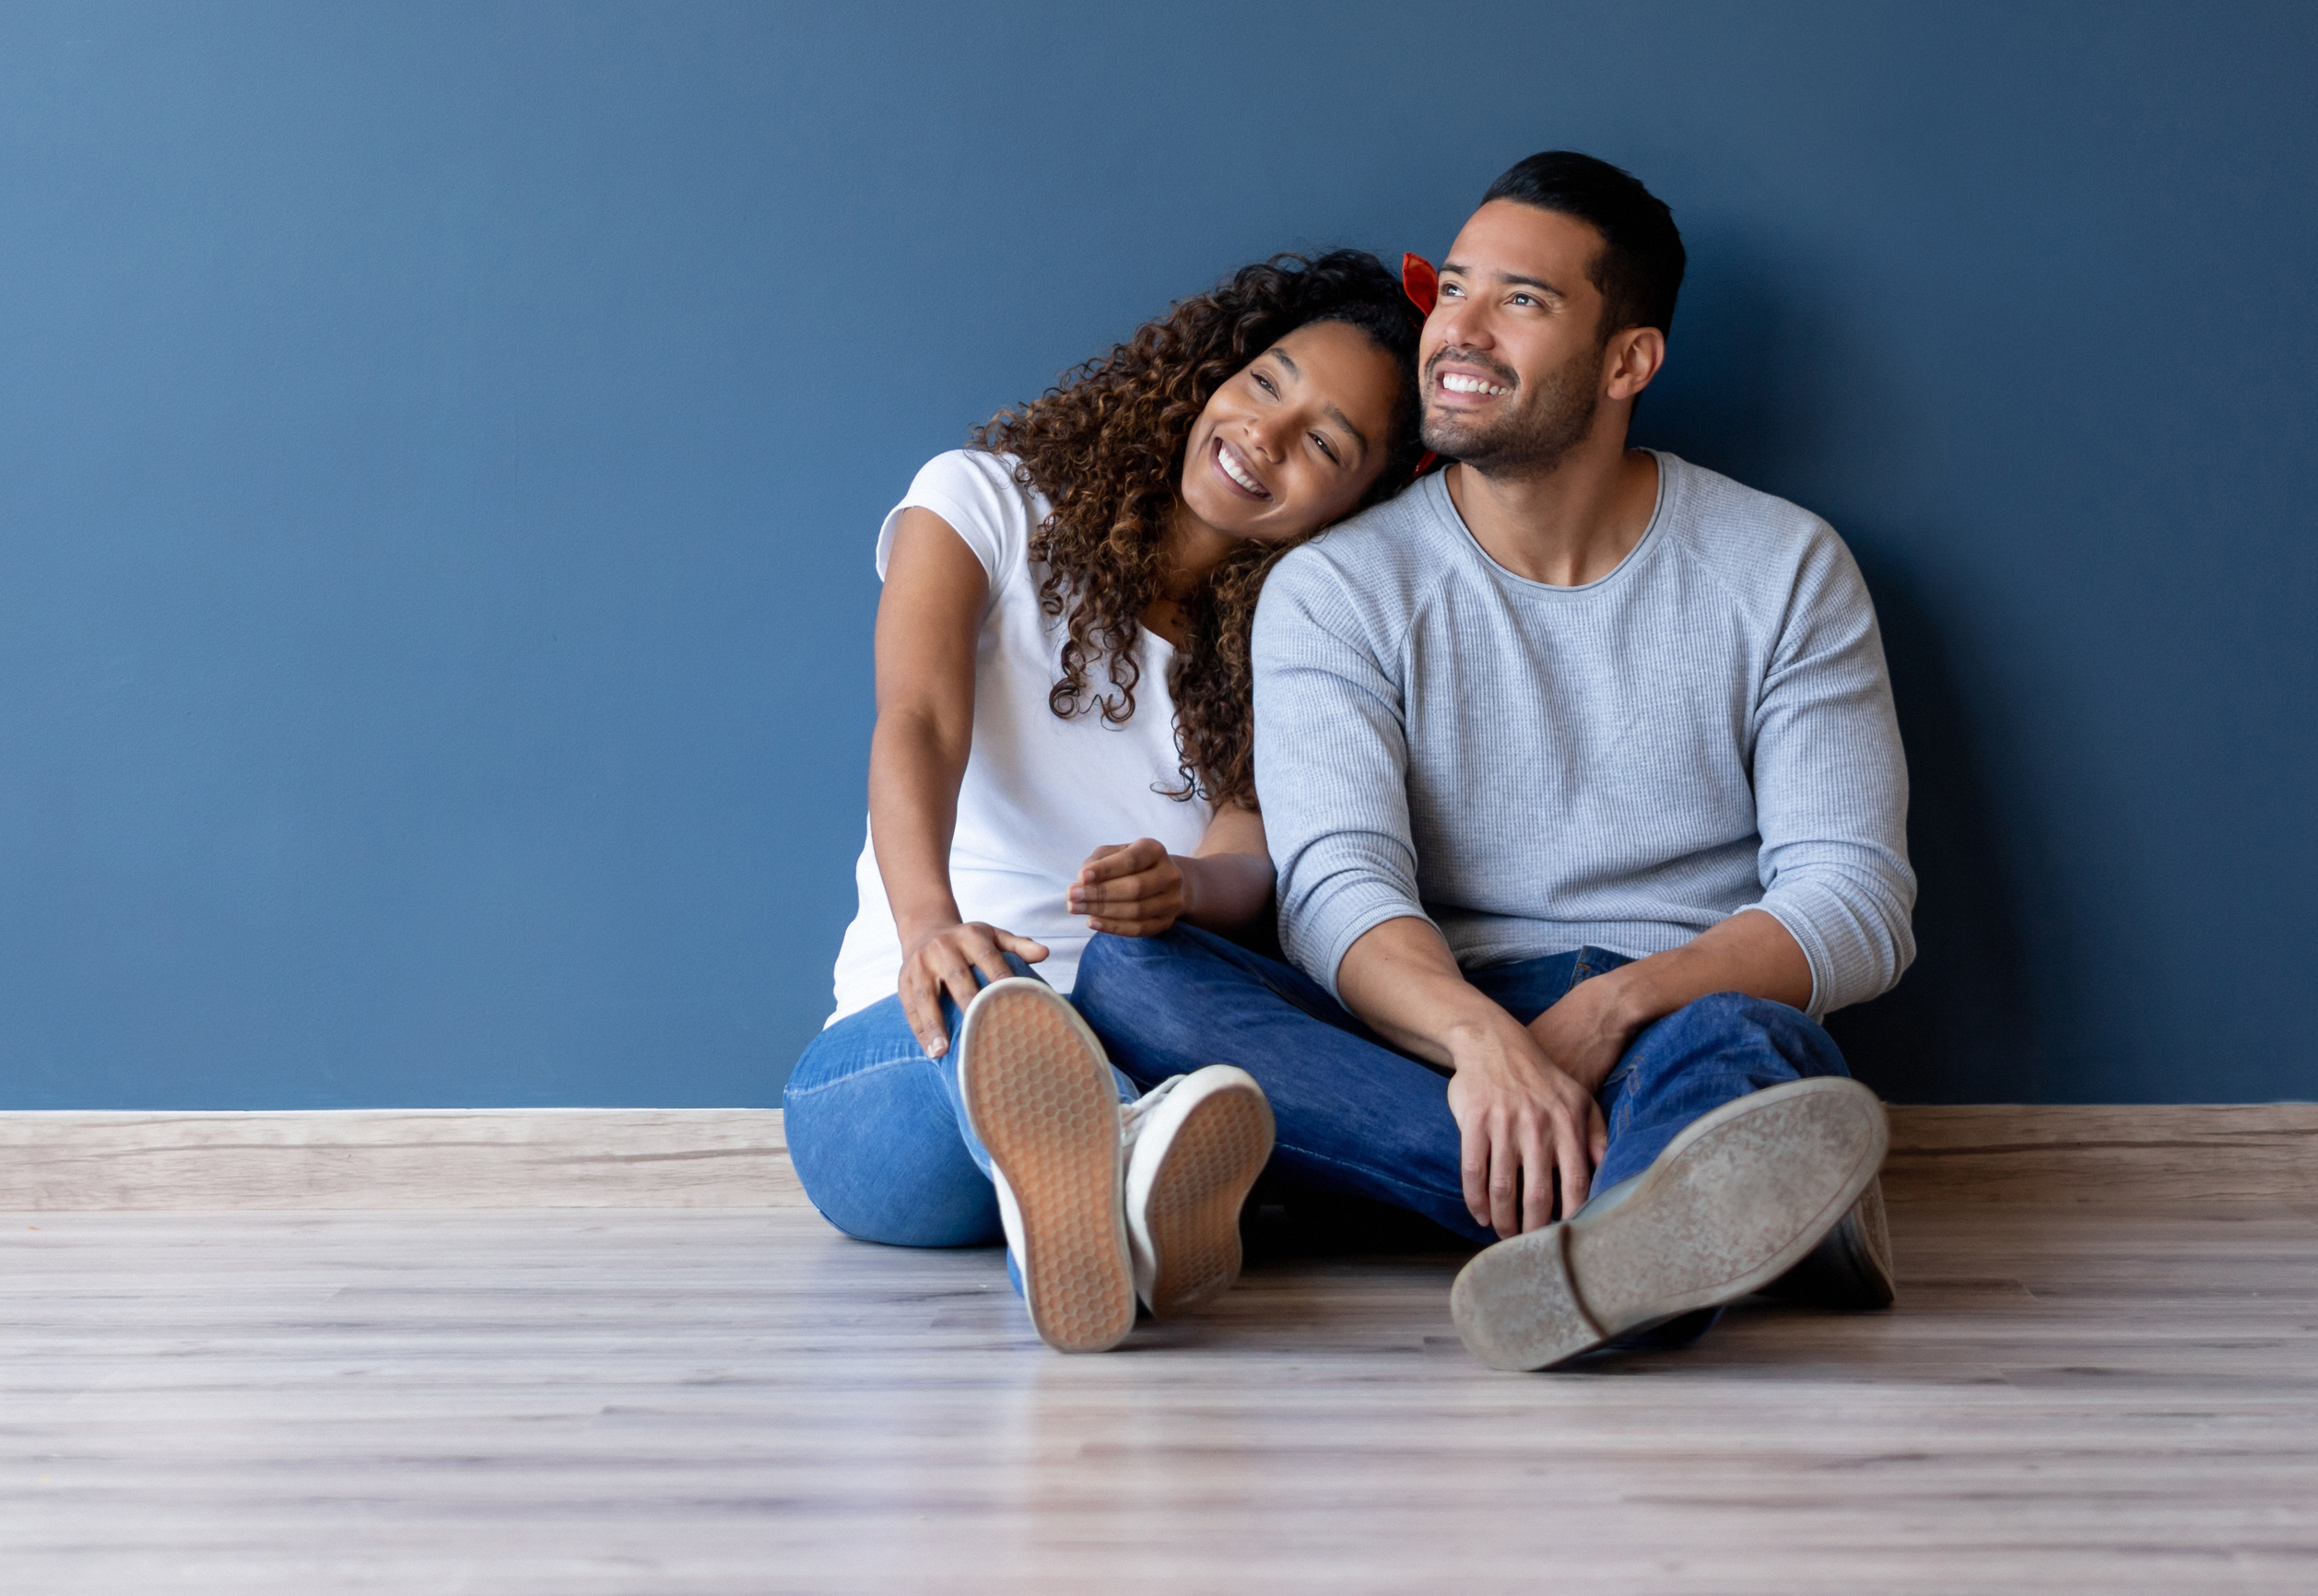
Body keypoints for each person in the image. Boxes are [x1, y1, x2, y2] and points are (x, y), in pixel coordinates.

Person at [1076, 153, 1917, 1371]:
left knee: (1742, 1043)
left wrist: (1612, 1005)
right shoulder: (1337, 586)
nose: (1454, 331)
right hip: (1419, 1026)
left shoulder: (1783, 566)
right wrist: (1485, 1045)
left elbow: (1853, 900)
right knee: (1131, 976)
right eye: (1452, 286)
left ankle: (1631, 1201)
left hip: (1671, 1008)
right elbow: (1337, 885)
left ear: (1626, 360)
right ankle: (1662, 1219)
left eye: (1518, 300)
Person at [782, 250, 1426, 1352]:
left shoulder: (1304, 640)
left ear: (1362, 501)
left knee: (1146, 1050)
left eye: (1325, 442)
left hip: (1146, 1041)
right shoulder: (980, 498)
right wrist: (928, 923)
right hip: (913, 1048)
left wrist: (1182, 885)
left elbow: (1248, 858)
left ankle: (1108, 1182)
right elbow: (918, 721)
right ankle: (1107, 1169)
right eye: (1267, 382)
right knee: (993, 1025)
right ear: (1217, 368)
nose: (1265, 435)